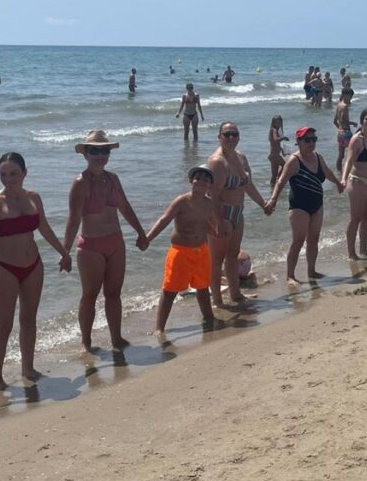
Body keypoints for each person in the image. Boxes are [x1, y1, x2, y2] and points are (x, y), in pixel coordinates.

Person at [0, 152, 71, 390]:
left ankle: (28, 368)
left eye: (13, 174)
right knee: (4, 325)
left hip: (33, 266)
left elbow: (44, 228)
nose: (8, 179)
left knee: (29, 319)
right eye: (3, 174)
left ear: (24, 173)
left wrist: (64, 253)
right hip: (3, 269)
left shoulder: (33, 197)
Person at [62, 131, 148, 351]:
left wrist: (141, 233)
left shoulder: (113, 179)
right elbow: (72, 221)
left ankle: (116, 338)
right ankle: (86, 342)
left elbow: (126, 208)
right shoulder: (80, 183)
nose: (100, 155)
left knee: (114, 293)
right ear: (86, 154)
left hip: (116, 243)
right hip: (91, 246)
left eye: (104, 150)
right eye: (94, 151)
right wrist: (65, 253)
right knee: (90, 295)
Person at [144, 165, 220, 334]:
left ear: (210, 186)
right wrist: (148, 238)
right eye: (198, 178)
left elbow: (206, 224)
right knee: (170, 290)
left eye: (206, 180)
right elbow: (165, 219)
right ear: (191, 181)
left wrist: (216, 232)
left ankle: (209, 318)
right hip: (180, 252)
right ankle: (159, 327)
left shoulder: (208, 204)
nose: (201, 182)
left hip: (201, 251)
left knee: (202, 288)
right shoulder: (182, 201)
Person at [265, 127, 343, 283]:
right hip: (299, 206)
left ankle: (312, 271)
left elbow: (326, 172)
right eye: (307, 140)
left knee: (314, 238)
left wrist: (338, 183)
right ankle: (290, 276)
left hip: (317, 204)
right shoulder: (294, 160)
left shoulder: (318, 157)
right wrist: (273, 199)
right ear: (298, 142)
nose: (311, 143)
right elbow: (281, 181)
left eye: (314, 139)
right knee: (299, 240)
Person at [208, 122, 268, 305]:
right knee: (217, 259)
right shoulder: (217, 162)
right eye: (227, 134)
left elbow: (247, 185)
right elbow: (212, 196)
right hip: (221, 213)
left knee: (233, 255)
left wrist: (263, 204)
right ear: (220, 137)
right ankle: (217, 300)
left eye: (234, 134)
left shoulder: (241, 157)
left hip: (238, 212)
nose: (231, 138)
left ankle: (235, 294)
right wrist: (220, 222)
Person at [341, 108, 367, 259]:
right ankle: (351, 253)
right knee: (356, 218)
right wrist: (343, 179)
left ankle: (364, 249)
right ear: (362, 121)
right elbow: (349, 161)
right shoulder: (356, 139)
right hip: (358, 181)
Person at [333, 87, 356, 173]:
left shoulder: (339, 105)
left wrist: (340, 129)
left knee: (341, 155)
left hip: (340, 132)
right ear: (345, 95)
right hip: (346, 132)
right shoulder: (345, 106)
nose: (351, 98)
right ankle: (351, 171)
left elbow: (335, 121)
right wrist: (352, 123)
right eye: (350, 96)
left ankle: (339, 172)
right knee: (354, 152)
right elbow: (343, 119)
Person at [267, 115, 288, 185]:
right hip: (274, 156)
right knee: (284, 166)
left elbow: (275, 144)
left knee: (276, 173)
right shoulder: (274, 130)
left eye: (280, 123)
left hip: (275, 155)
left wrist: (282, 150)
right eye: (277, 123)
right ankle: (274, 185)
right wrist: (284, 137)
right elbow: (276, 140)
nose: (279, 124)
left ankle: (275, 183)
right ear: (273, 123)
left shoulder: (274, 130)